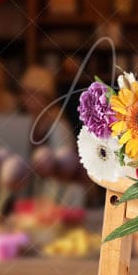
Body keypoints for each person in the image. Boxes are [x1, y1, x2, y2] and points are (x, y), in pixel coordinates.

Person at [19, 64, 84, 205]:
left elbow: (62, 168)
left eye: (35, 94)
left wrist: (47, 204)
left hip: (61, 197)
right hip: (39, 194)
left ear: (47, 97)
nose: (29, 99)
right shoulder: (29, 121)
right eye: (25, 93)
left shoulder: (57, 125)